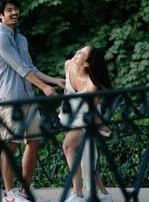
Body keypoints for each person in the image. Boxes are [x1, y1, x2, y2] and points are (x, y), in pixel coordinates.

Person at [0, 0, 65, 202]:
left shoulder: (21, 38)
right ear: (0, 16)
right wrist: (43, 88)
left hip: (27, 98)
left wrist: (53, 81)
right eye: (9, 10)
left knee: (34, 141)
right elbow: (20, 68)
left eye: (15, 9)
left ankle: (24, 192)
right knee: (10, 144)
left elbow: (30, 67)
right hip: (10, 99)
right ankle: (9, 194)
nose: (14, 13)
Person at [59, 45, 113, 202]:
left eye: (81, 53)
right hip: (70, 115)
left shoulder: (92, 85)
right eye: (78, 50)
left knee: (68, 146)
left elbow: (91, 111)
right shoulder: (68, 65)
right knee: (86, 155)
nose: (76, 53)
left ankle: (78, 194)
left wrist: (102, 126)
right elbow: (67, 92)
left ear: (87, 63)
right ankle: (102, 194)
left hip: (86, 117)